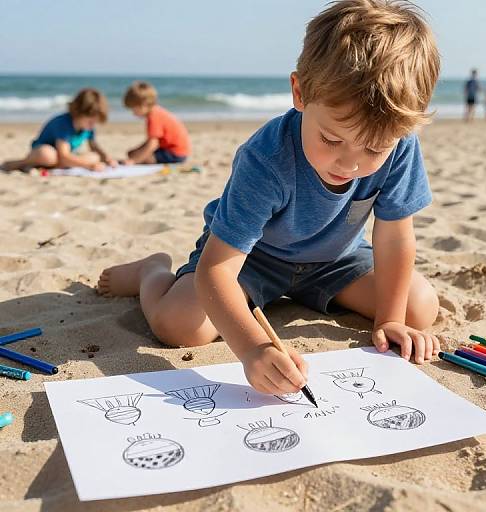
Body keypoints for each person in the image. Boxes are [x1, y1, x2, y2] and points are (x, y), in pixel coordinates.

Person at [98, 0, 441, 396]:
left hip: (335, 260)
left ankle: (321, 295)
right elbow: (218, 271)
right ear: (299, 92)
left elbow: (395, 236)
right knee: (178, 326)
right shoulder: (267, 158)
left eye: (374, 149)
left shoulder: (399, 143)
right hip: (252, 260)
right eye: (331, 139)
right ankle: (152, 271)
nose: (349, 163)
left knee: (419, 307)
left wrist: (390, 320)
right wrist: (253, 349)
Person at [1, 88, 115, 172]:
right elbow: (63, 155)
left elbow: (94, 146)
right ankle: (21, 163)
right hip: (46, 152)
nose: (92, 125)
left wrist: (106, 158)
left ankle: (51, 166)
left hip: (65, 157)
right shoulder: (64, 123)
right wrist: (88, 166)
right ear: (79, 112)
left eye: (95, 122)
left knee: (95, 156)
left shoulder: (87, 128)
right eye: (90, 122)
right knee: (48, 156)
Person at [123, 81, 191, 165]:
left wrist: (134, 161)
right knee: (132, 153)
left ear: (143, 105)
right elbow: (152, 141)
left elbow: (153, 144)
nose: (133, 113)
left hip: (175, 153)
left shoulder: (154, 116)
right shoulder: (156, 111)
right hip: (171, 149)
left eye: (133, 109)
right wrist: (137, 151)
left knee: (144, 158)